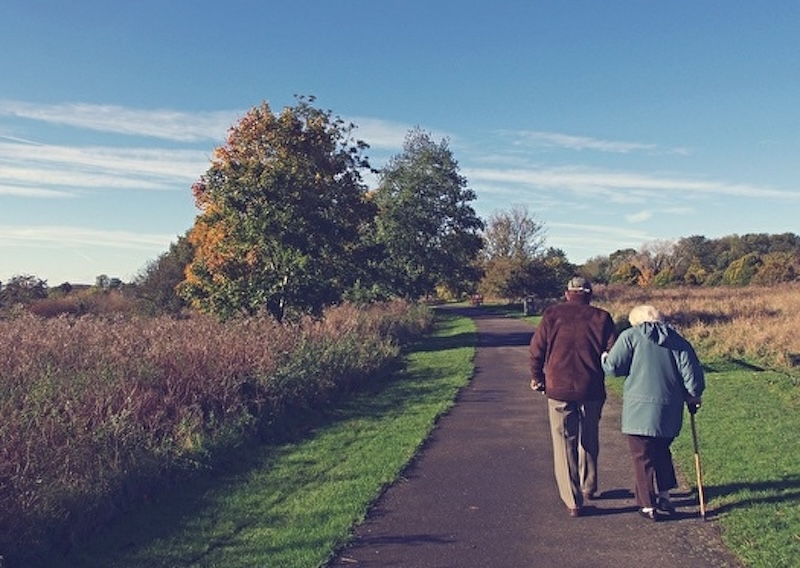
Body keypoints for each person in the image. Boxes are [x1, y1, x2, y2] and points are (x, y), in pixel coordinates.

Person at [602, 304, 705, 521]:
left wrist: (604, 357)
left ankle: (647, 504)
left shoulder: (630, 336)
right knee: (661, 450)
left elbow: (613, 367)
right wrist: (693, 396)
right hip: (669, 409)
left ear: (636, 321)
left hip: (638, 410)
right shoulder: (677, 340)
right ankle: (665, 495)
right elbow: (691, 375)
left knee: (641, 456)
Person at [529, 276, 617, 517]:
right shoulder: (602, 317)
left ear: (567, 293)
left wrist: (537, 376)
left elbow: (537, 349)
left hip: (559, 387)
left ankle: (573, 500)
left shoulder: (552, 315)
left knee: (563, 441)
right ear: (589, 294)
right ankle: (589, 486)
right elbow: (614, 352)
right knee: (589, 436)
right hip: (591, 387)